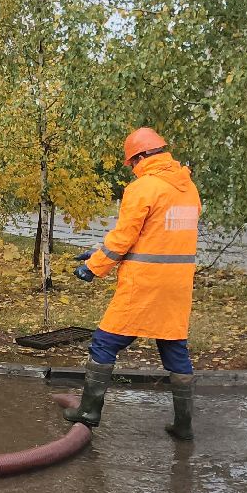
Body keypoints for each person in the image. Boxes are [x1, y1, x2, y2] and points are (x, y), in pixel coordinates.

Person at [64, 127, 201, 438]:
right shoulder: (188, 188)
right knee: (175, 349)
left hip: (143, 286)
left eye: (132, 164)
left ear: (141, 158)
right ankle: (184, 426)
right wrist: (100, 250)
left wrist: (93, 267)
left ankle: (88, 411)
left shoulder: (143, 188)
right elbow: (155, 237)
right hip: (177, 287)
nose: (133, 170)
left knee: (104, 343)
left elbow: (125, 237)